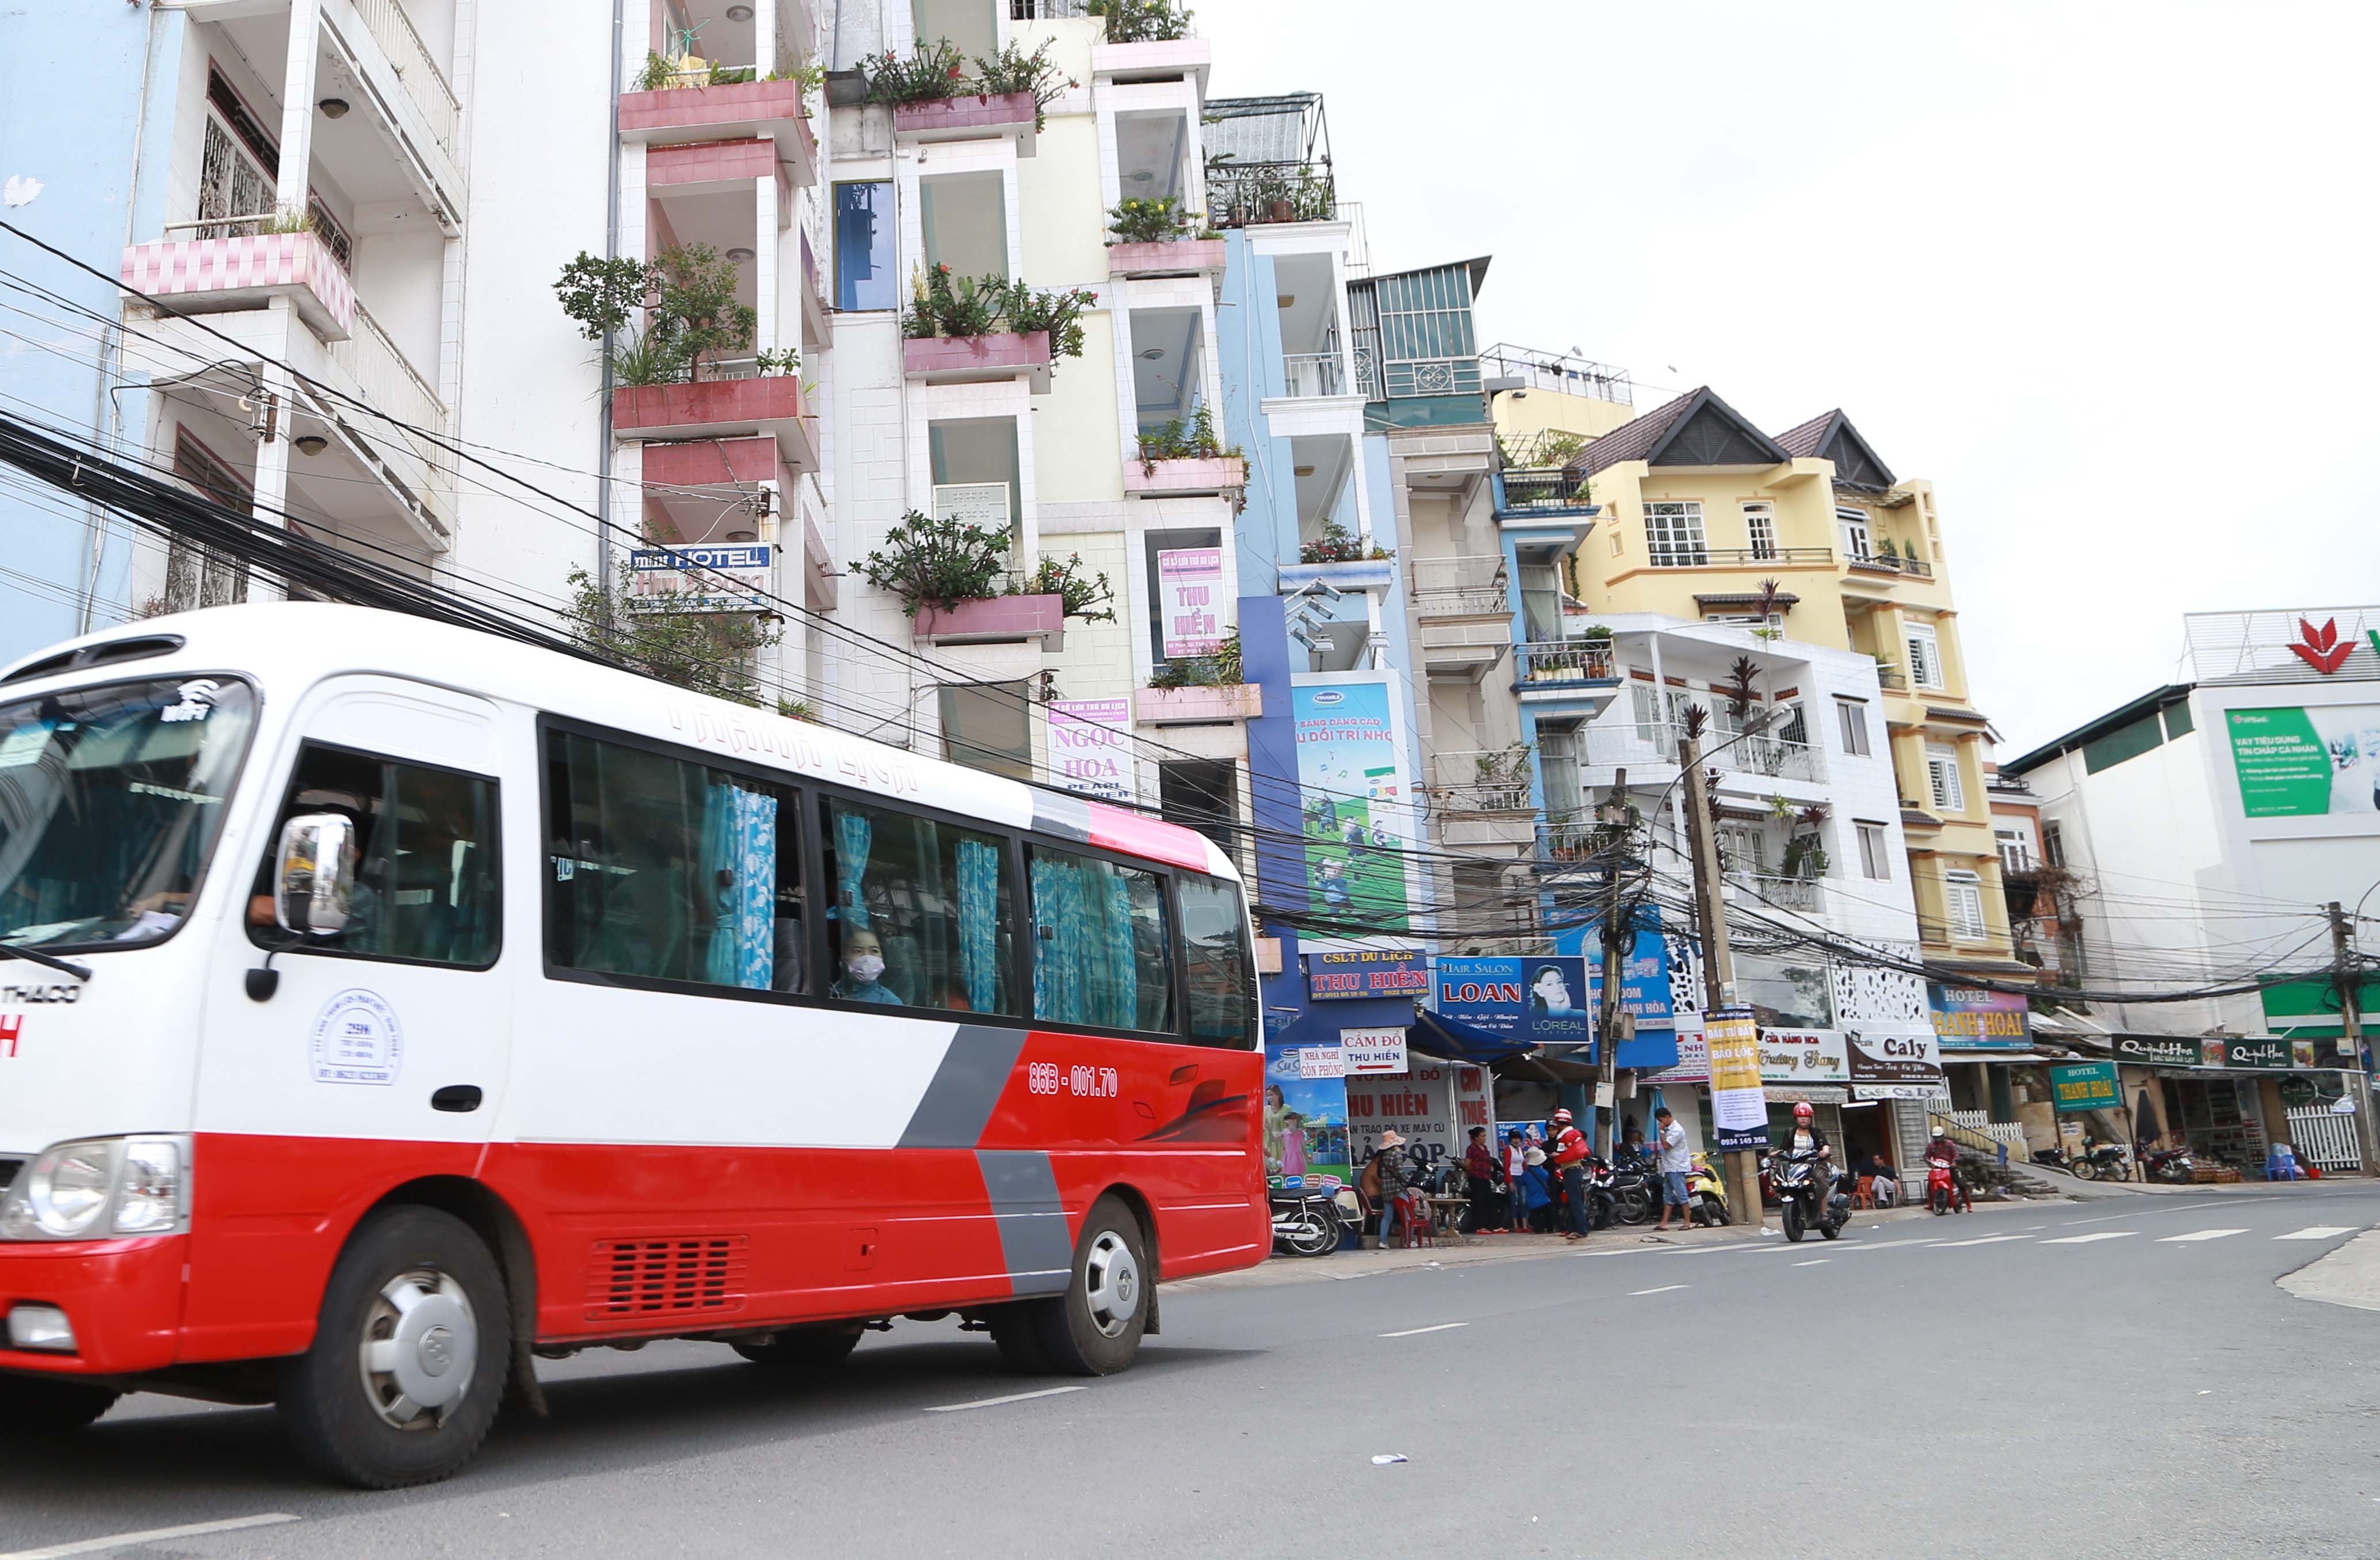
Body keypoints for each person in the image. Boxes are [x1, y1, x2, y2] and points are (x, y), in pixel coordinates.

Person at [1548, 1108, 1592, 1242]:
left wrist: (1555, 1156)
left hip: (1570, 1171)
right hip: (1576, 1170)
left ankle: (1581, 1230)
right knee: (1575, 1201)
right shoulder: (1575, 1134)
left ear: (1560, 1123)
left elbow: (1562, 1155)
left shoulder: (1566, 1137)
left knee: (1575, 1202)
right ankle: (1573, 1229)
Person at [830, 926, 903, 1004]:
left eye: (874, 951)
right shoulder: (828, 993)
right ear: (843, 958)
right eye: (858, 951)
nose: (867, 957)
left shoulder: (890, 1003)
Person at [1365, 1130, 1413, 1247]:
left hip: (1386, 1190)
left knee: (1387, 1217)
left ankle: (1383, 1241)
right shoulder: (1396, 1155)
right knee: (1407, 1215)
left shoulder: (1384, 1156)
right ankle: (1409, 1241)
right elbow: (1400, 1172)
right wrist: (1407, 1180)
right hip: (1397, 1190)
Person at [1650, 1106, 1693, 1233]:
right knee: (1668, 1197)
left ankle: (1688, 1222)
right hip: (1669, 1167)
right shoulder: (1669, 1129)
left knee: (1682, 1195)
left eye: (1661, 1120)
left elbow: (1667, 1145)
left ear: (1667, 1117)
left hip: (1677, 1166)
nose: (1660, 1123)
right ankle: (1663, 1223)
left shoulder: (1677, 1130)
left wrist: (1662, 1132)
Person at [1463, 1126, 1502, 1231]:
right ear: (1476, 1138)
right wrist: (1471, 1172)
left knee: (1490, 1200)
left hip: (1486, 1177)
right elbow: (1467, 1163)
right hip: (1476, 1178)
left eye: (1485, 1136)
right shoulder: (1472, 1149)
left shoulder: (1485, 1148)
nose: (1485, 1138)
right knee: (1479, 1202)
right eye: (1482, 1136)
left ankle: (1494, 1226)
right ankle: (1480, 1226)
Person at [1518, 1146, 1554, 1232]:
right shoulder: (1544, 1172)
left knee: (1537, 1219)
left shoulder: (1526, 1174)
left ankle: (1539, 1230)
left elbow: (1521, 1182)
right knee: (1549, 1217)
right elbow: (1548, 1178)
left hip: (1532, 1202)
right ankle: (1550, 1229)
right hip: (1545, 1200)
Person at [1502, 1128, 1531, 1231]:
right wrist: (1510, 1182)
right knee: (1515, 1201)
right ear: (1510, 1139)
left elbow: (1524, 1164)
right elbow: (1506, 1167)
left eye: (1518, 1138)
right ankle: (1516, 1225)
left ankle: (1525, 1225)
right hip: (1513, 1176)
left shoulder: (1521, 1150)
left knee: (1523, 1201)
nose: (1516, 1140)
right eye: (1514, 1138)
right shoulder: (1508, 1150)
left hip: (1521, 1176)